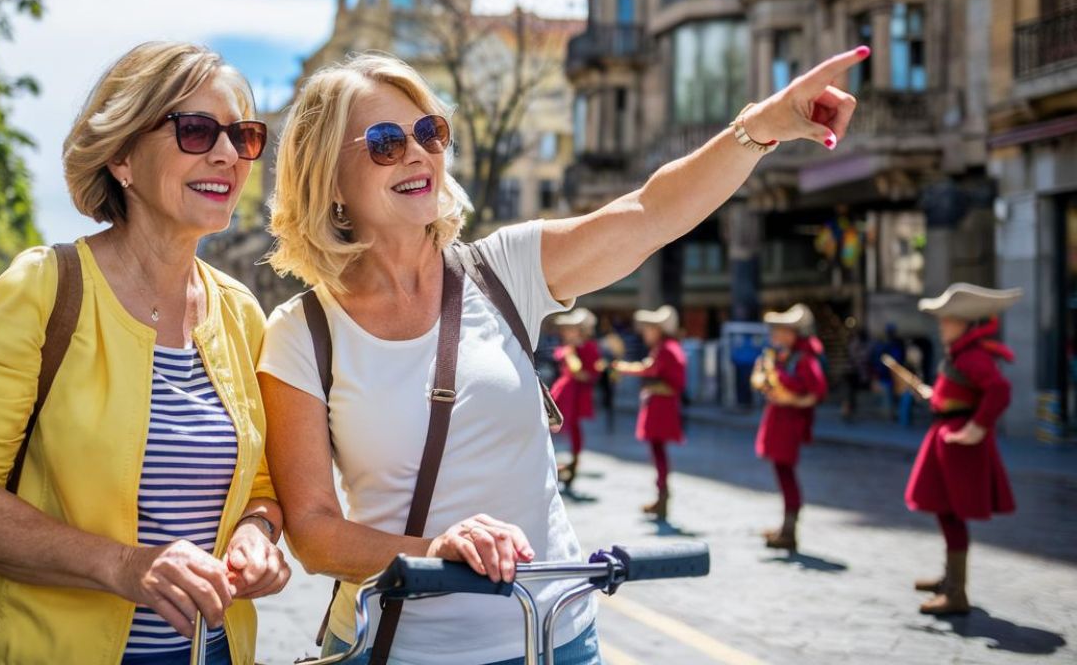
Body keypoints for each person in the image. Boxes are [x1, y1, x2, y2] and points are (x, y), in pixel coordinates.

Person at [259, 46, 868, 665]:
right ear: (328, 174)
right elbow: (312, 532)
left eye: (430, 131)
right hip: (396, 646)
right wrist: (433, 547)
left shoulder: (504, 271)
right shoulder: (301, 331)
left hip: (556, 637)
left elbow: (650, 212)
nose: (417, 152)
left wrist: (761, 126)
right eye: (386, 141)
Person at [0, 42, 290, 664]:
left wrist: (258, 534)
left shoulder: (240, 312)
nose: (227, 154)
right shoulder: (41, 288)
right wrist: (125, 566)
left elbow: (262, 484)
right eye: (196, 130)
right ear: (121, 155)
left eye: (243, 136)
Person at [905, 283, 1021, 615]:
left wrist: (977, 426)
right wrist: (929, 395)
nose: (941, 325)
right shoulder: (959, 354)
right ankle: (950, 580)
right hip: (948, 439)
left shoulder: (971, 355)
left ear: (962, 323)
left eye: (947, 320)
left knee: (952, 512)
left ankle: (956, 592)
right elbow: (956, 394)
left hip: (959, 443)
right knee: (946, 510)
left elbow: (998, 390)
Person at [751, 303, 828, 551]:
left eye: (781, 329)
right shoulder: (788, 356)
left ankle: (789, 530)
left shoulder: (804, 359)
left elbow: (817, 391)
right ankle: (786, 526)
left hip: (789, 423)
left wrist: (793, 399)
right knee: (783, 474)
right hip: (780, 420)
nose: (775, 334)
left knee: (787, 476)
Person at [613, 306, 687, 521]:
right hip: (660, 406)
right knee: (658, 451)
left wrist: (624, 368)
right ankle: (661, 496)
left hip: (662, 408)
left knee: (658, 451)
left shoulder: (666, 349)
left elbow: (653, 371)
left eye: (649, 328)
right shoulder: (665, 347)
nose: (645, 332)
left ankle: (662, 496)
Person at [550, 307, 603, 491]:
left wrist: (571, 356)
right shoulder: (572, 347)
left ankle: (569, 465)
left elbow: (581, 372)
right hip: (568, 391)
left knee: (567, 427)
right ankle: (565, 465)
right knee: (565, 428)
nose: (566, 332)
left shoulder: (584, 348)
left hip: (574, 393)